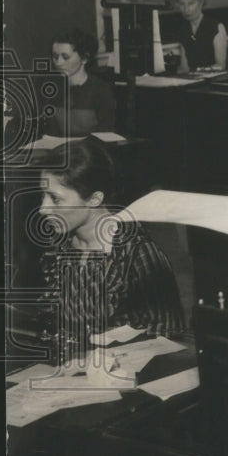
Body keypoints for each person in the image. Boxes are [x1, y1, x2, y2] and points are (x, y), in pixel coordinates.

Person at [38, 139, 185, 362]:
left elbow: (169, 338)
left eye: (55, 199)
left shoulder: (138, 253)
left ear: (95, 199)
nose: (43, 208)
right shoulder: (58, 245)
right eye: (43, 195)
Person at [47, 28, 116, 137]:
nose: (58, 63)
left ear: (84, 58)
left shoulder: (101, 91)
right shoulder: (52, 90)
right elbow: (51, 134)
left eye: (65, 57)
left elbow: (106, 135)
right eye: (55, 57)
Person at [175, 0, 228, 73]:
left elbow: (220, 66)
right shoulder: (183, 30)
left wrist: (196, 71)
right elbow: (184, 67)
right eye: (182, 4)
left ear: (201, 3)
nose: (186, 9)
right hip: (191, 80)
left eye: (191, 3)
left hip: (212, 81)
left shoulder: (216, 27)